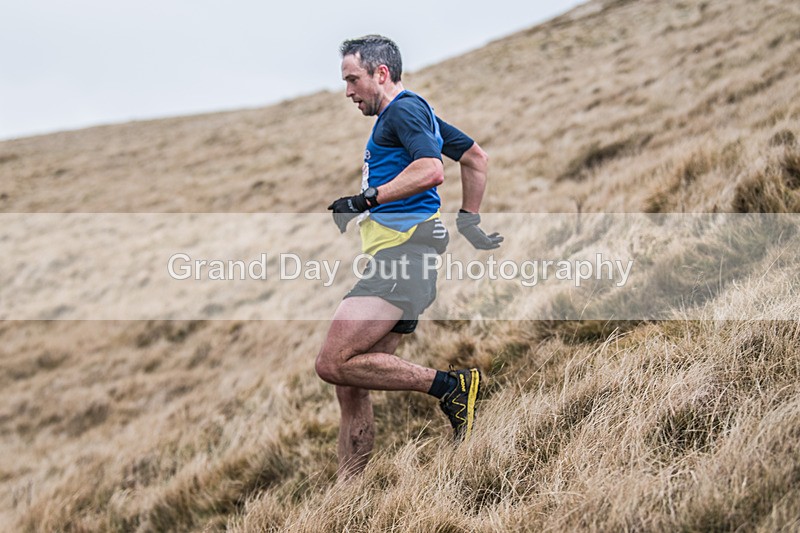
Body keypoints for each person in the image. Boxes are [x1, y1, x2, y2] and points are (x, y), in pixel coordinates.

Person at [316, 35, 503, 480]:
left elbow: (432, 169)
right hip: (403, 258)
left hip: (403, 258)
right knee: (351, 384)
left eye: (352, 79)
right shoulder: (414, 114)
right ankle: (351, 494)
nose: (348, 91)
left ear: (381, 73)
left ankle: (452, 387)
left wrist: (364, 200)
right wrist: (469, 219)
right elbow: (475, 158)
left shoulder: (402, 110)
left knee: (332, 364)